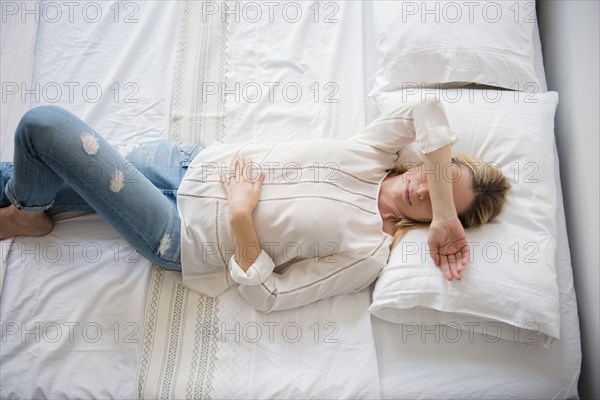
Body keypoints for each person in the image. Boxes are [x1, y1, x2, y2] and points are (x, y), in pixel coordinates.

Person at [0, 101, 509, 312]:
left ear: (422, 226)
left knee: (43, 129)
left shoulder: (369, 251)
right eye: (436, 178)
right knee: (22, 170)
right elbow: (427, 108)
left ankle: (28, 213)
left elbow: (271, 294)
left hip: (182, 234)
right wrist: (445, 212)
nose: (423, 188)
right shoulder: (374, 152)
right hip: (185, 163)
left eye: (438, 202)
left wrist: (242, 217)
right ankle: (25, 206)